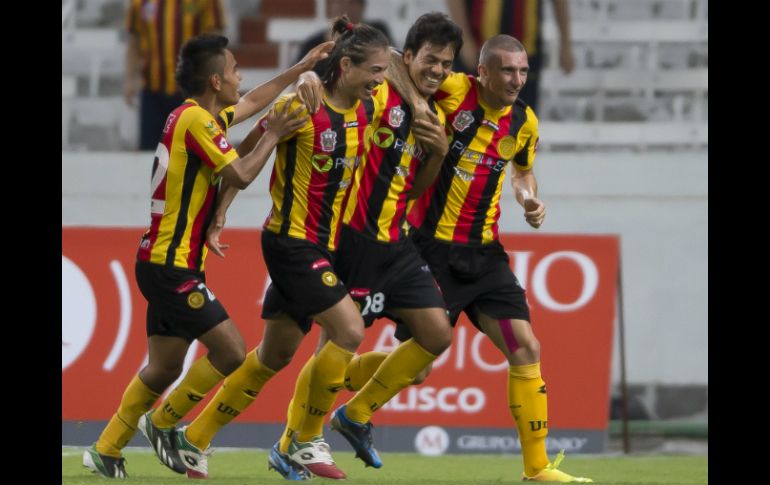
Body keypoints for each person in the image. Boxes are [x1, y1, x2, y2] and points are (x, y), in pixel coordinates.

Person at [139, 18, 391, 480]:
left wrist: (309, 67)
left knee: (273, 356)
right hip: (292, 242)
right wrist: (221, 210)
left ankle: (188, 434)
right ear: (347, 67)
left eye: (383, 71)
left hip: (328, 246)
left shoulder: (368, 106)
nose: (381, 79)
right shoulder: (301, 105)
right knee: (349, 331)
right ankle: (305, 438)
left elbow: (400, 74)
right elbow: (250, 147)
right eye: (374, 70)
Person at [81, 33, 333, 479]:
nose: (241, 77)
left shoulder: (197, 115)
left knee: (164, 367)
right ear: (216, 80)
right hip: (170, 265)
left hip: (165, 261)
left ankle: (106, 449)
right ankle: (163, 423)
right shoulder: (196, 121)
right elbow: (241, 172)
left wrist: (299, 69)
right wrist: (273, 134)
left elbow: (253, 101)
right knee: (232, 351)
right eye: (235, 70)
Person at [361, 34, 593, 483]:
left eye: (523, 71)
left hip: (484, 254)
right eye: (507, 70)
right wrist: (421, 106)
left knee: (526, 346)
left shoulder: (524, 120)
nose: (517, 80)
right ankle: (336, 388)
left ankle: (537, 468)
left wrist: (528, 198)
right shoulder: (454, 90)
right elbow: (390, 58)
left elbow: (522, 171)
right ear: (482, 71)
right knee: (419, 370)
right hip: (431, 248)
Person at [279, 12, 463, 478]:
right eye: (430, 59)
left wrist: (439, 151)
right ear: (409, 56)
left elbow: (415, 189)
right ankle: (295, 441)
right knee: (334, 346)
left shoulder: (436, 115)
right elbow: (367, 63)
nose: (438, 70)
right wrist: (308, 77)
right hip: (354, 240)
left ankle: (353, 414)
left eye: (446, 64)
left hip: (398, 245)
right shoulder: (380, 93)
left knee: (435, 339)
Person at [125, 0, 227, 150]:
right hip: (152, 92)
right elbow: (135, 41)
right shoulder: (141, 3)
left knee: (192, 151)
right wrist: (130, 80)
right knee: (151, 153)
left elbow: (215, 42)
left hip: (192, 93)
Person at [445, 0, 575, 111]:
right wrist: (465, 40)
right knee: (470, 120)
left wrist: (566, 45)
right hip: (478, 53)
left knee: (519, 122)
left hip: (525, 53)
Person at [296, 0, 392, 77]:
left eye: (352, 3)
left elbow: (390, 65)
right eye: (337, 2)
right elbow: (299, 77)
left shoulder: (378, 33)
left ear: (361, 6)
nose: (343, 7)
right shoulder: (314, 44)